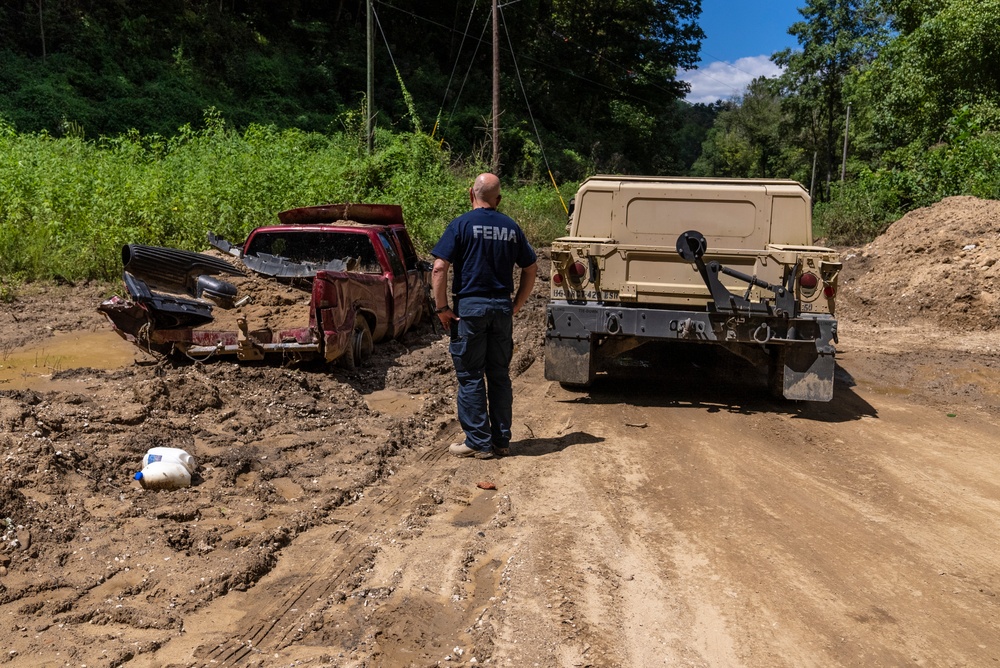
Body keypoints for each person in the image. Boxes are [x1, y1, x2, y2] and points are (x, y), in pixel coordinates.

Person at [431, 173, 538, 459]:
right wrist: (517, 304)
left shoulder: (461, 224)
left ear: (471, 194)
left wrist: (442, 308)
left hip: (470, 310)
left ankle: (478, 441)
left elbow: (439, 268)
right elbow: (531, 267)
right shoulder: (511, 227)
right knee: (500, 375)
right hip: (501, 309)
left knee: (470, 376)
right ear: (498, 199)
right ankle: (501, 441)